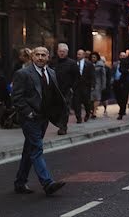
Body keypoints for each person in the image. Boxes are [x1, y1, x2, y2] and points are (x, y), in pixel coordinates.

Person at [11, 46, 67, 196]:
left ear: (48, 57)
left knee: (29, 150)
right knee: (36, 148)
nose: (40, 57)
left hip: (44, 117)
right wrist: (28, 113)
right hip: (29, 119)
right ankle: (47, 183)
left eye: (43, 55)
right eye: (37, 55)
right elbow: (16, 97)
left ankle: (20, 182)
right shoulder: (23, 73)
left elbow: (54, 95)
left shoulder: (51, 73)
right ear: (32, 57)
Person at [50, 43, 77, 135]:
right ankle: (59, 123)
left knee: (65, 109)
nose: (61, 53)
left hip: (67, 90)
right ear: (57, 52)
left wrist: (72, 88)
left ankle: (63, 127)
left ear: (67, 52)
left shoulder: (72, 63)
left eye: (63, 52)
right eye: (60, 51)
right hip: (54, 90)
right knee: (55, 108)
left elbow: (76, 77)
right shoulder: (53, 62)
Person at [72, 49, 95, 123]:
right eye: (77, 54)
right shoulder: (74, 64)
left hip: (86, 86)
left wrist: (92, 85)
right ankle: (78, 117)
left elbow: (92, 76)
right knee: (76, 102)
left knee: (86, 102)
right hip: (76, 87)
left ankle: (87, 114)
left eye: (80, 54)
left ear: (83, 55)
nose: (78, 56)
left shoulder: (89, 64)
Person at [90, 52, 107, 119]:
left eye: (94, 57)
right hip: (90, 83)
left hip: (98, 83)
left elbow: (103, 76)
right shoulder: (89, 64)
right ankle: (92, 110)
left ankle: (94, 112)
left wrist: (103, 85)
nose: (93, 58)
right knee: (90, 98)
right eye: (92, 57)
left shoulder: (100, 65)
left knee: (97, 98)